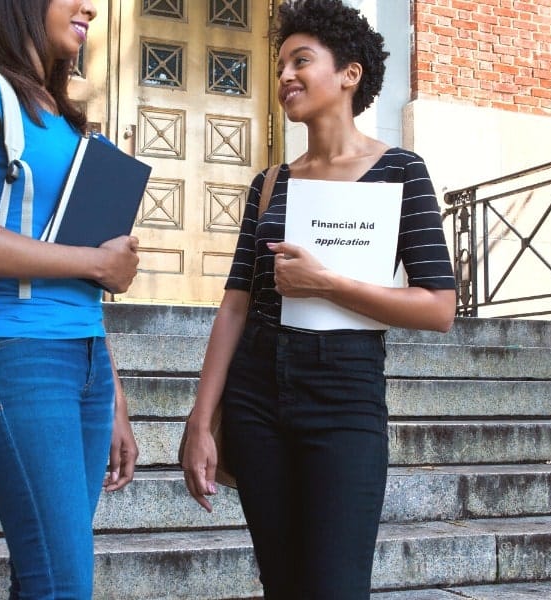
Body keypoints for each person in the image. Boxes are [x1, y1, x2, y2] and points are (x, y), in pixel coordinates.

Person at [180, 0, 457, 597]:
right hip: (255, 393)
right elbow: (235, 302)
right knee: (282, 585)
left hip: (344, 396)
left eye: (300, 61)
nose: (284, 77)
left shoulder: (401, 172)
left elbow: (438, 307)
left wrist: (326, 283)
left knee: (335, 586)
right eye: (280, 64)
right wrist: (202, 420)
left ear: (350, 74)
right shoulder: (271, 184)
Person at [0, 1, 139, 598]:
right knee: (62, 583)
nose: (90, 9)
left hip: (85, 359)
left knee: (46, 575)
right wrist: (98, 262)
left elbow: (74, 274)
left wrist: (114, 393)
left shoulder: (61, 115)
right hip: (14, 350)